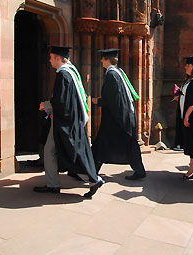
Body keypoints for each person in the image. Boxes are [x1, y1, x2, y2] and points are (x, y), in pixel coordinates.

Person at [34, 46, 104, 198]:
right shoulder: (71, 71)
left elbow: (61, 100)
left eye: (51, 57)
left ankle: (92, 180)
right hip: (70, 118)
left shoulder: (63, 75)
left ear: (58, 58)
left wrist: (45, 105)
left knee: (70, 151)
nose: (49, 60)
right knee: (54, 150)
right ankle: (55, 184)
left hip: (65, 121)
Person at [91, 49, 146, 180]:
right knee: (128, 143)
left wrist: (98, 101)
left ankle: (90, 171)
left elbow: (113, 98)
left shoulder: (111, 74)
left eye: (102, 59)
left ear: (107, 60)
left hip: (116, 118)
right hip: (124, 115)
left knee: (103, 143)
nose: (101, 61)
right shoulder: (119, 72)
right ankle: (139, 170)